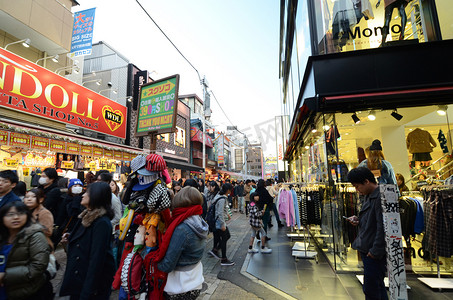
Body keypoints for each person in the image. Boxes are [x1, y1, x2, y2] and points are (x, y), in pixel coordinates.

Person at [59, 181, 116, 299]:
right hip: (79, 279)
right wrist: (71, 237)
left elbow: (97, 260)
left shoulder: (102, 223)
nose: (83, 195)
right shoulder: (86, 215)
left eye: (87, 193)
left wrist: (87, 292)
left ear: (96, 196)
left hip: (90, 285)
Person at [156, 186, 208, 299]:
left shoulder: (182, 229)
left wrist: (151, 261)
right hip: (195, 281)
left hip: (180, 286)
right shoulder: (199, 222)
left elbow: (167, 265)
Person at [346, 167, 388, 300]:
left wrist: (375, 251)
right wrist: (358, 220)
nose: (357, 190)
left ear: (366, 181)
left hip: (373, 252)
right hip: (368, 248)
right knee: (377, 287)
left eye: (358, 186)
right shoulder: (370, 196)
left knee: (371, 289)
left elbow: (383, 227)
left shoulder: (380, 197)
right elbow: (373, 221)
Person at [0, 201, 52, 299]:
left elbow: (38, 266)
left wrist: (5, 276)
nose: (16, 217)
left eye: (20, 213)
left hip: (26, 291)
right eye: (10, 214)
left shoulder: (35, 235)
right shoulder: (2, 235)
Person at [208, 183, 235, 266]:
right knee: (225, 238)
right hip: (219, 223)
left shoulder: (218, 196)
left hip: (217, 222)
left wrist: (227, 214)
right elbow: (219, 212)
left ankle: (216, 250)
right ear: (228, 190)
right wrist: (222, 224)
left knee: (226, 236)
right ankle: (223, 259)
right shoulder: (222, 199)